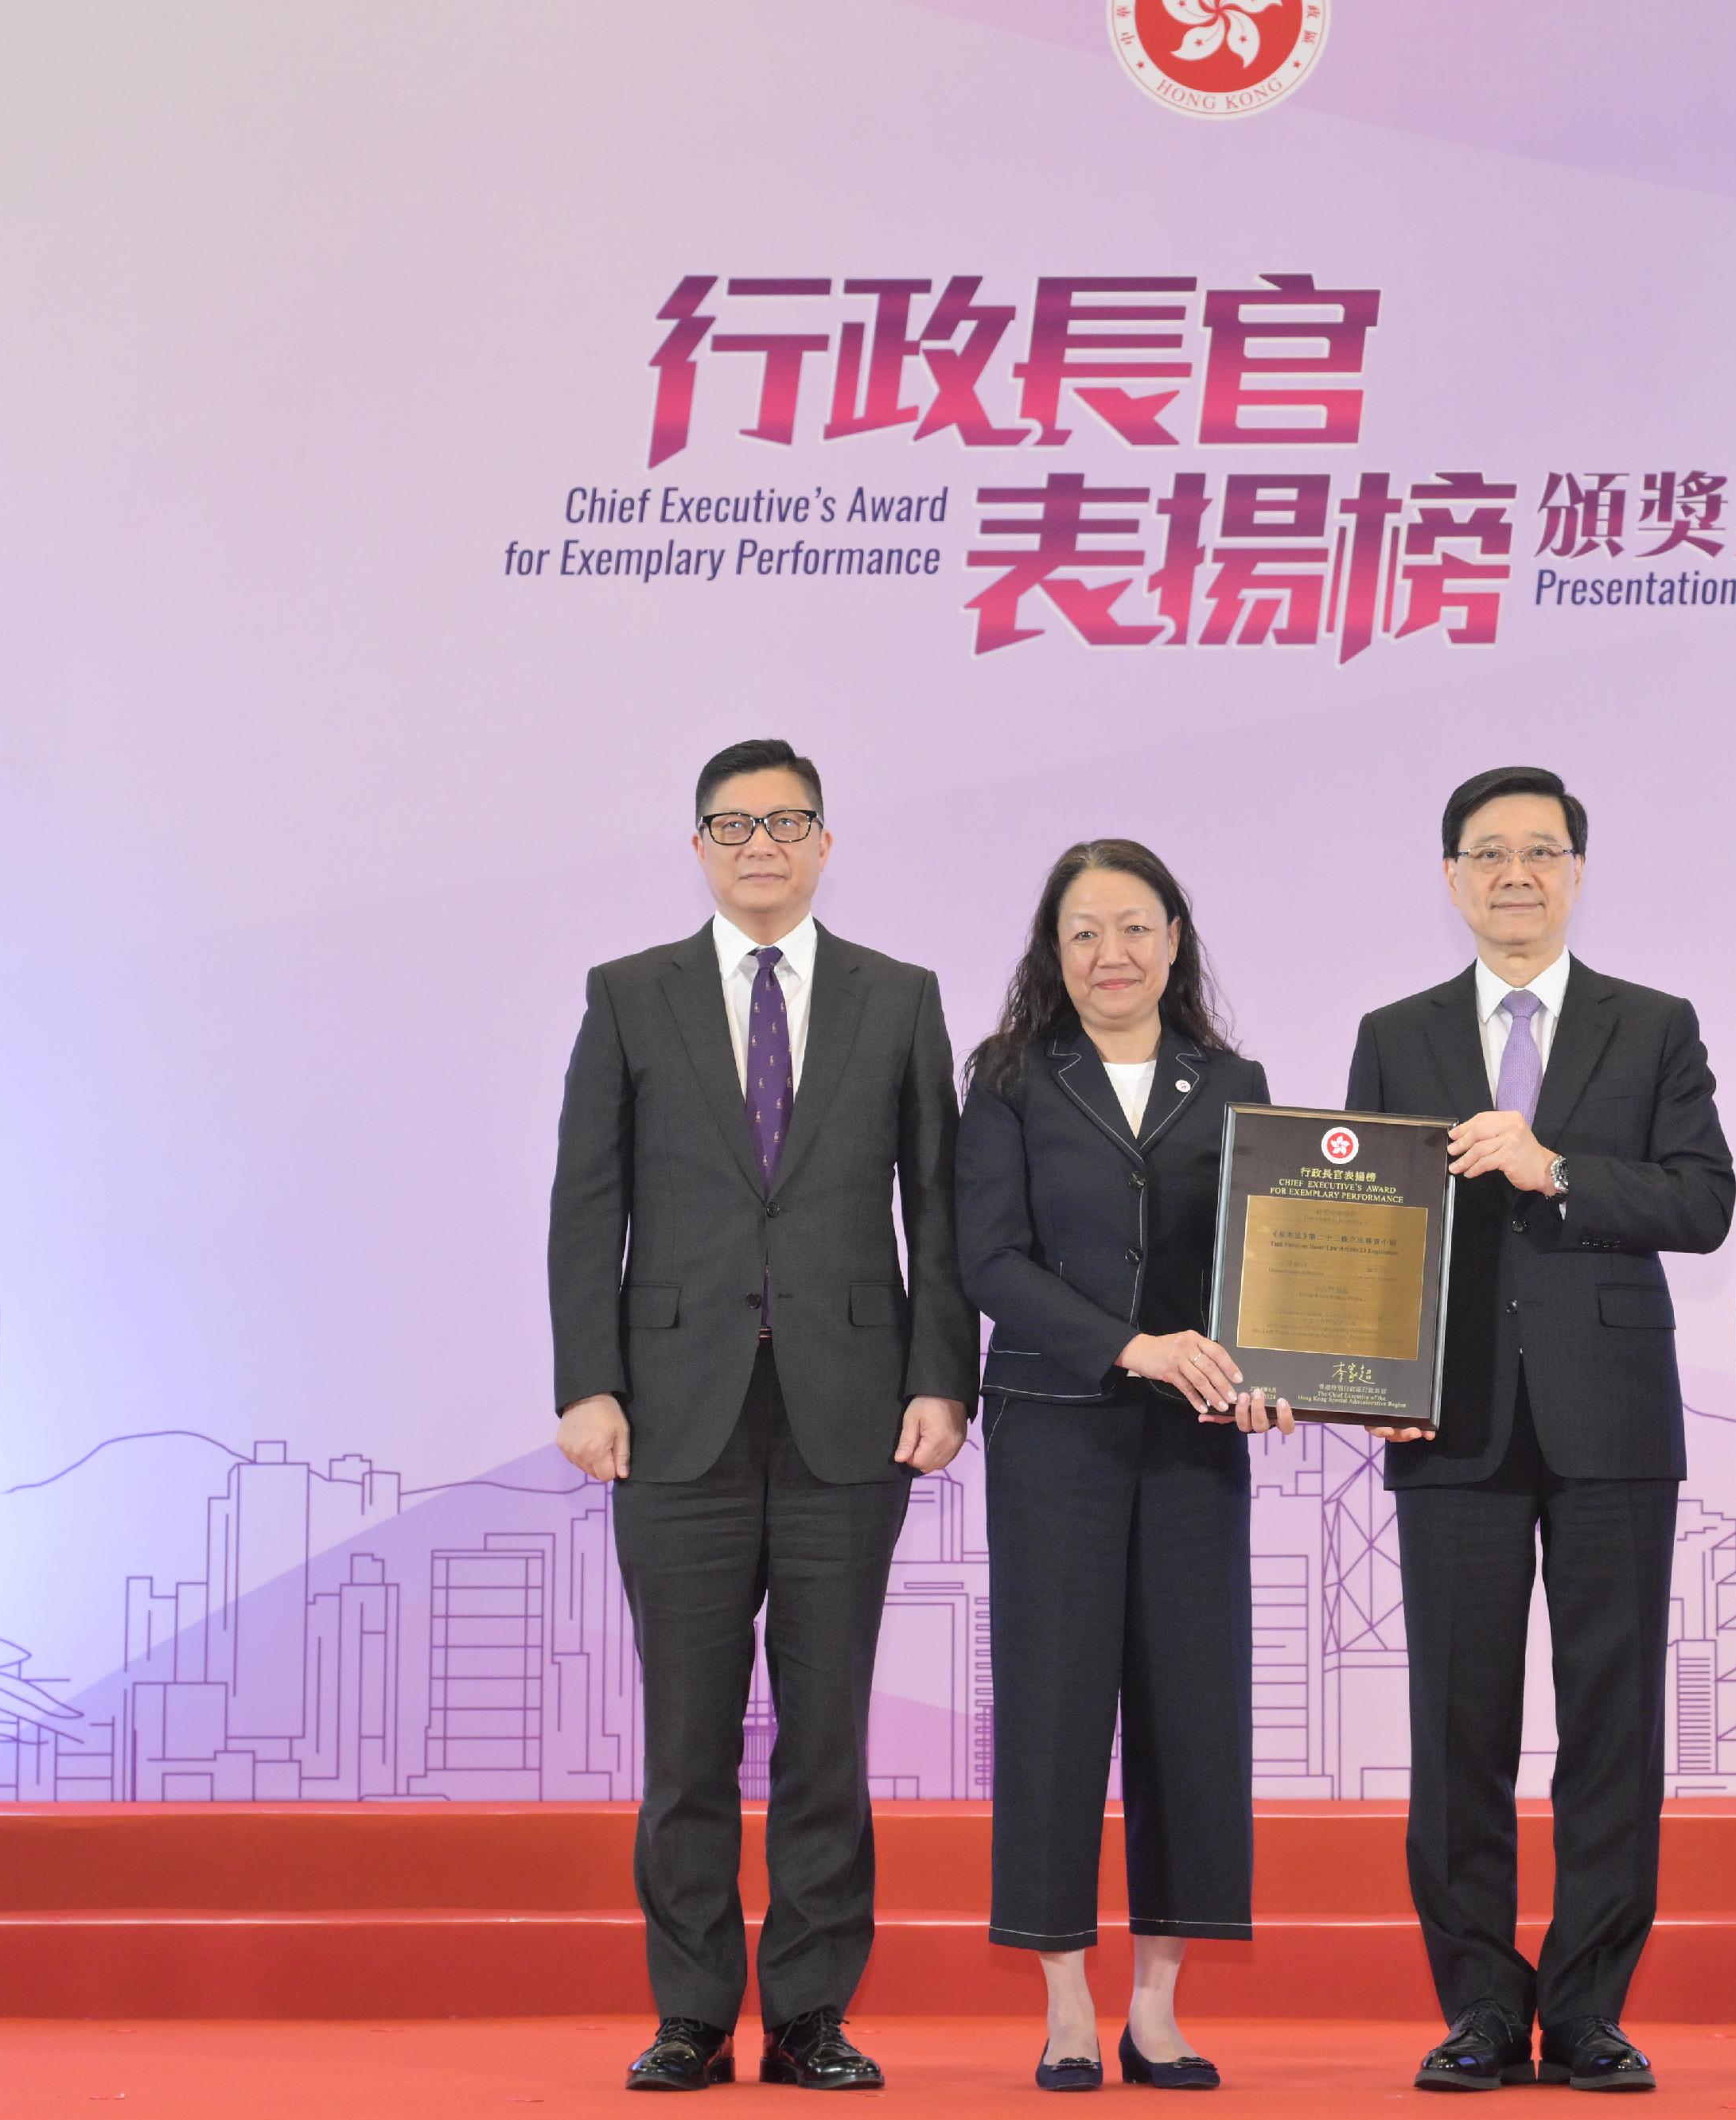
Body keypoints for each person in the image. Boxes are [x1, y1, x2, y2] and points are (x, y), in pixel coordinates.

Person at [547, 737, 977, 2095]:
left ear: (826, 843)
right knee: (685, 1736)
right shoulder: (630, 995)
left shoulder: (899, 997)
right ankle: (689, 2010)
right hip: (671, 1415)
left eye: (786, 822)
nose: (761, 847)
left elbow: (941, 1207)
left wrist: (940, 1373)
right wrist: (586, 1378)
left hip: (854, 1414)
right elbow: (586, 1203)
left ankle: (807, 2013)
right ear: (698, 847)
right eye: (733, 825)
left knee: (827, 1730)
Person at [1345, 764, 1736, 2095]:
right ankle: (1475, 2006)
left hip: (1613, 1419)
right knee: (1457, 1726)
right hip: (1443, 1421)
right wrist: (1366, 1377)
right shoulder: (1394, 1031)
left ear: (1578, 871)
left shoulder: (1654, 1022)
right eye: (1490, 853)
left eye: (1543, 851)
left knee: (1613, 1726)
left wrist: (1553, 1165)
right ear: (1452, 876)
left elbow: (1702, 1200)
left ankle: (1586, 2008)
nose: (1518, 873)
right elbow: (1364, 1232)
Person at [958, 839, 1283, 2095]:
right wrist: (1131, 1346)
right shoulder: (1007, 1080)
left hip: (1198, 1440)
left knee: (1189, 1712)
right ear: (1054, 949)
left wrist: (1276, 1370)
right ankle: (1065, 2008)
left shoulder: (1234, 1078)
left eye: (1137, 927)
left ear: (1177, 939)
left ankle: (1156, 2005)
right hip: (1057, 1426)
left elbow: (1272, 1258)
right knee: (1053, 1709)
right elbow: (991, 1259)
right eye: (1085, 931)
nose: (1113, 954)